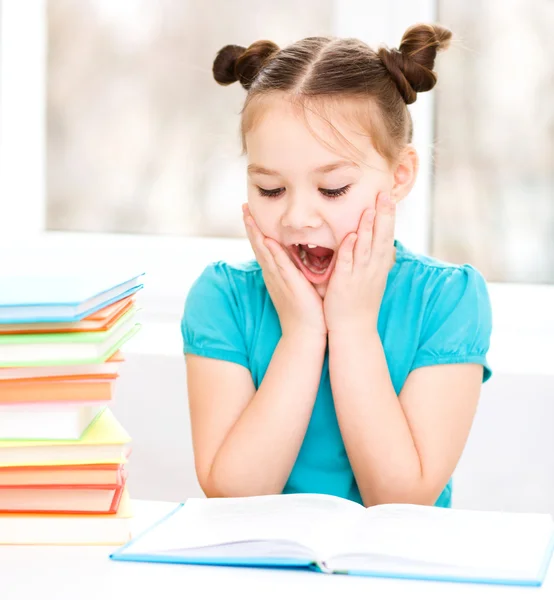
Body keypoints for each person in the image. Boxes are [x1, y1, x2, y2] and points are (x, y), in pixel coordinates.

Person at [181, 23, 492, 508]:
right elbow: (232, 494)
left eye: (332, 189)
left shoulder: (446, 300)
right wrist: (302, 335)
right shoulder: (223, 298)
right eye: (269, 189)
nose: (297, 217)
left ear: (400, 175)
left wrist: (351, 327)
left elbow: (400, 498)